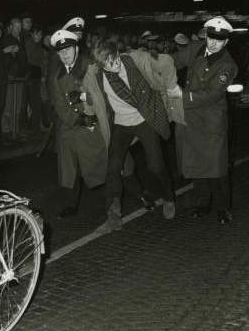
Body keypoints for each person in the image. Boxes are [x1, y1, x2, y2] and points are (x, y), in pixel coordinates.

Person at [82, 39, 177, 231]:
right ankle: (113, 215)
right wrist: (89, 113)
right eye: (108, 63)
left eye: (115, 59)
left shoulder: (135, 60)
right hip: (121, 124)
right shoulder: (96, 75)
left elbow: (166, 62)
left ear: (118, 53)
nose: (114, 65)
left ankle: (168, 197)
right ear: (101, 65)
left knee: (155, 165)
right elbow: (89, 93)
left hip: (144, 119)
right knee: (113, 168)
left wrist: (171, 87)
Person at [171, 16, 238, 224]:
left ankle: (223, 208)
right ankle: (202, 203)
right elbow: (174, 60)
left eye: (219, 40)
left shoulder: (227, 65)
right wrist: (154, 64)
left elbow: (212, 94)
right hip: (192, 119)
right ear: (206, 35)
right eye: (211, 37)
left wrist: (180, 96)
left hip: (211, 121)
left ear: (226, 41)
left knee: (216, 169)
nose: (213, 43)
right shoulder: (196, 48)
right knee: (196, 165)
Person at [48, 30, 106, 219]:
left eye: (68, 50)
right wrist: (76, 119)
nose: (64, 54)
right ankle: (70, 204)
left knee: (106, 162)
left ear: (76, 49)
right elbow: (59, 104)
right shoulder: (56, 76)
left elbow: (101, 95)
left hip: (94, 122)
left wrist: (84, 102)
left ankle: (133, 192)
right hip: (70, 125)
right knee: (68, 167)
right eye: (61, 51)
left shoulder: (90, 67)